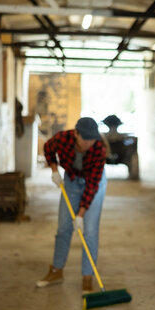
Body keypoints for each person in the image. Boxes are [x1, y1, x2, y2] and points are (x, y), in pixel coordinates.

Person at [36, 117, 107, 294]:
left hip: (93, 183)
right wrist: (54, 170)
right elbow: (48, 148)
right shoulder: (63, 139)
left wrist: (81, 215)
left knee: (89, 231)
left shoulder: (98, 149)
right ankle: (56, 271)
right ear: (76, 134)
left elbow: (92, 187)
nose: (89, 143)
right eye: (85, 139)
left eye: (92, 139)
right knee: (63, 228)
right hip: (72, 180)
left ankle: (87, 278)